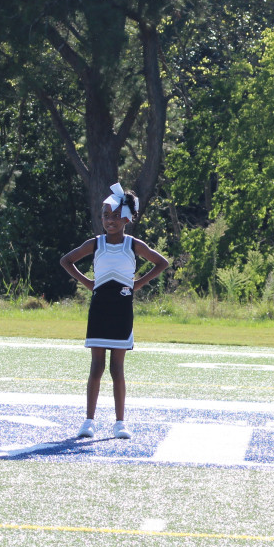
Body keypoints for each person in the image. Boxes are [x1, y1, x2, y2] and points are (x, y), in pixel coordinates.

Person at [60, 184, 169, 440]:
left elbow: (162, 262)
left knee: (117, 369)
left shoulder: (133, 244)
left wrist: (138, 283)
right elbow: (66, 260)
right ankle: (89, 421)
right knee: (96, 366)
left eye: (115, 216)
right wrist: (88, 283)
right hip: (99, 308)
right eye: (105, 216)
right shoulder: (95, 243)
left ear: (127, 219)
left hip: (122, 309)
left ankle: (120, 422)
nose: (110, 221)